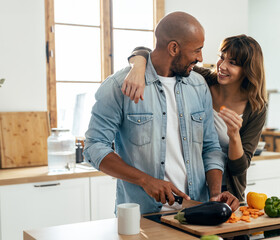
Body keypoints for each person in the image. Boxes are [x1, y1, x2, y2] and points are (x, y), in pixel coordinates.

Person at [84, 11, 240, 215]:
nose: (200, 58)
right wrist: (146, 181)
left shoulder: (198, 85)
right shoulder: (117, 87)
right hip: (143, 215)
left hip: (197, 213)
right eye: (197, 50)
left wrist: (214, 194)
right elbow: (94, 147)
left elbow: (210, 147)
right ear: (174, 48)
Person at [122, 34, 267, 202]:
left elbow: (239, 167)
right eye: (222, 57)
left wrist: (234, 136)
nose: (222, 66)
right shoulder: (200, 80)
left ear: (248, 70)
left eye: (232, 63)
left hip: (226, 192)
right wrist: (138, 68)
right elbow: (155, 54)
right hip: (191, 184)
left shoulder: (256, 108)